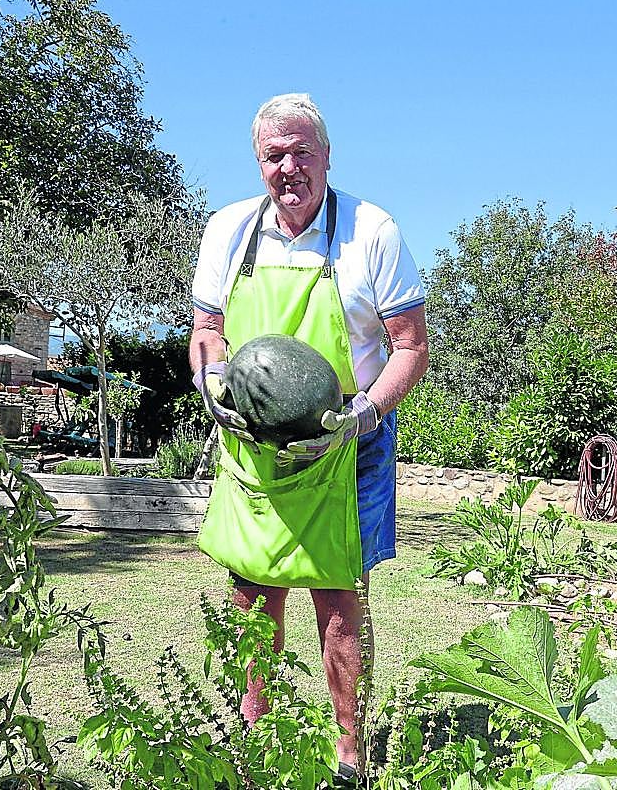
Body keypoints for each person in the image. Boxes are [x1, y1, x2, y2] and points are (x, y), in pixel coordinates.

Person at [189, 92, 429, 778]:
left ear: (326, 156)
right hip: (253, 438)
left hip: (349, 433)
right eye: (274, 155)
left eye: (302, 152)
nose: (288, 167)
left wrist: (364, 416)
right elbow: (208, 333)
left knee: (338, 595)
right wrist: (213, 388)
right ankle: (254, 732)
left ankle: (348, 753)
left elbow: (409, 347)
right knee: (251, 587)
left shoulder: (370, 231)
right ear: (258, 162)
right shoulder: (228, 230)